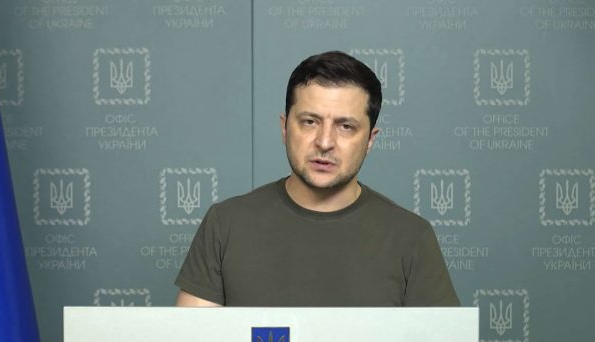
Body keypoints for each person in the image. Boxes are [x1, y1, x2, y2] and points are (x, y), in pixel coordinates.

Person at [175, 50, 459, 308]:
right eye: (309, 122)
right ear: (285, 128)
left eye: (345, 126)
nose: (325, 142)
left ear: (370, 140)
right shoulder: (225, 225)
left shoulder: (411, 237)